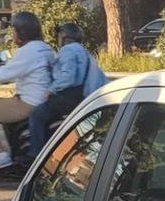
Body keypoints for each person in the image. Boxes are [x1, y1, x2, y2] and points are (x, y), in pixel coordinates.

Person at [0, 11, 54, 171]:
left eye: (15, 30)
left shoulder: (27, 51)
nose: (13, 34)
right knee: (4, 106)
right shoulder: (45, 48)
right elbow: (23, 71)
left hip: (29, 102)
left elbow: (6, 73)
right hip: (44, 100)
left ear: (22, 32)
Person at [26, 23, 107, 160]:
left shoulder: (67, 50)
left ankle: (35, 155)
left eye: (59, 36)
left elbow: (68, 77)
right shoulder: (85, 52)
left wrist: (51, 89)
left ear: (64, 37)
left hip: (68, 98)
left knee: (37, 115)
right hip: (83, 98)